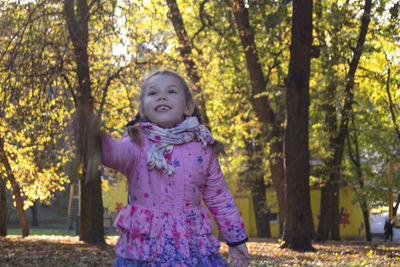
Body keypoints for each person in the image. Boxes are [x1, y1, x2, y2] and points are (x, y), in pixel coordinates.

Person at [100, 70, 250, 266]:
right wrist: (97, 143)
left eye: (171, 91)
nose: (162, 96)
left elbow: (219, 197)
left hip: (191, 244)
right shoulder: (136, 143)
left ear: (188, 106)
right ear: (143, 109)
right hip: (146, 246)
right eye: (153, 93)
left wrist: (235, 239)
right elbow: (115, 155)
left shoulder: (203, 147)